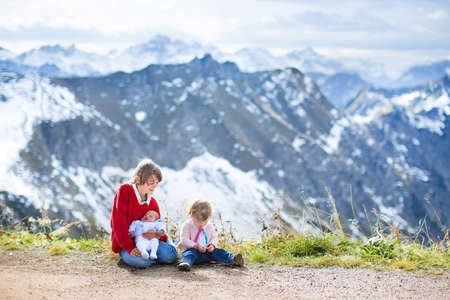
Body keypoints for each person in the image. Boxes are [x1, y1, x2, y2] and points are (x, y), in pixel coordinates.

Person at [110, 158, 177, 268]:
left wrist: (157, 235)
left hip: (149, 241)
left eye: (156, 182)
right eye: (151, 182)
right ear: (138, 180)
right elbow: (118, 222)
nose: (154, 185)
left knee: (170, 256)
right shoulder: (124, 191)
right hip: (127, 243)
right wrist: (129, 247)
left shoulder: (153, 203)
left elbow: (157, 225)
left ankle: (167, 245)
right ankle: (153, 258)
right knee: (142, 262)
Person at [177, 199, 244, 271]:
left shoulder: (209, 226)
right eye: (198, 221)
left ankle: (233, 259)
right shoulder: (187, 225)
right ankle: (185, 263)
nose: (202, 224)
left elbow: (214, 237)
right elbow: (184, 240)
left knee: (219, 252)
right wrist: (196, 246)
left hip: (207, 252)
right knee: (189, 254)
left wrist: (212, 245)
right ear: (191, 215)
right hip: (193, 251)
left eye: (204, 221)